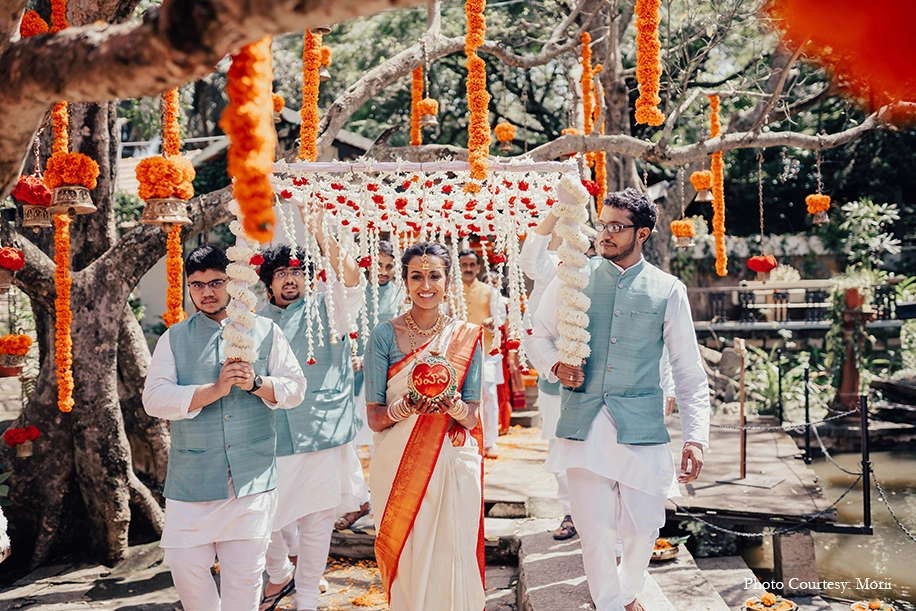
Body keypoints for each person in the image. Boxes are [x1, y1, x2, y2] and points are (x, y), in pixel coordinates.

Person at [530, 188, 710, 611]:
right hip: (583, 424)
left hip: (641, 425)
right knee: (594, 532)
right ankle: (611, 604)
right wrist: (555, 365)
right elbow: (536, 333)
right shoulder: (572, 276)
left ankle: (626, 592)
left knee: (645, 527)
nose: (604, 234)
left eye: (616, 227)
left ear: (642, 234)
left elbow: (688, 370)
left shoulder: (668, 289)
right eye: (602, 224)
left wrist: (695, 437)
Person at [143, 245, 307, 611]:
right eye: (197, 285)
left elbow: (296, 389)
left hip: (251, 480)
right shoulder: (174, 338)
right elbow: (154, 399)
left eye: (216, 282)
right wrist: (212, 391)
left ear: (232, 284)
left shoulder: (265, 331)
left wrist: (257, 383)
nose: (207, 292)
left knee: (244, 585)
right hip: (192, 482)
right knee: (188, 575)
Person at [522, 210, 678, 543]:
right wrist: (554, 215)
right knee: (565, 451)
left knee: (625, 482)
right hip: (561, 383)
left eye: (609, 229)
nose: (600, 237)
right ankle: (573, 515)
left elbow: (654, 347)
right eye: (601, 229)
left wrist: (668, 388)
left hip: (628, 399)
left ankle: (618, 552)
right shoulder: (560, 271)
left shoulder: (639, 280)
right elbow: (531, 263)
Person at [364, 242, 486, 611]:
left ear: (447, 281)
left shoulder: (466, 336)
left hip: (449, 459)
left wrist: (453, 406)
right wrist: (406, 407)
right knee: (411, 556)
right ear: (404, 281)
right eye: (416, 276)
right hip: (398, 463)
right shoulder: (383, 336)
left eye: (434, 275)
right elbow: (375, 417)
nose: (426, 284)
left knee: (451, 551)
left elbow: (472, 416)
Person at [256, 231, 368, 611]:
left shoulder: (327, 310)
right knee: (263, 519)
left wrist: (318, 226)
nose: (291, 279)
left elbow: (352, 279)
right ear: (267, 281)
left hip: (322, 432)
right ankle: (279, 574)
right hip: (270, 438)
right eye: (282, 273)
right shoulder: (252, 324)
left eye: (297, 271)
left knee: (317, 523)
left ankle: (306, 597)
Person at [341, 240, 405, 531]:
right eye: (378, 265)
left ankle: (388, 504)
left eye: (389, 266)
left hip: (388, 377)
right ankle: (358, 500)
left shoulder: (400, 295)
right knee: (350, 442)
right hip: (352, 375)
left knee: (385, 443)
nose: (383, 271)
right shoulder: (354, 292)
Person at [459, 248, 506, 458]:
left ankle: (489, 442)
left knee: (487, 393)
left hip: (485, 351)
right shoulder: (451, 291)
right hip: (458, 352)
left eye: (472, 265)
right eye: (464, 265)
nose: (468, 269)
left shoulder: (489, 291)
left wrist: (492, 323)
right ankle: (463, 440)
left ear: (478, 267)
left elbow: (501, 319)